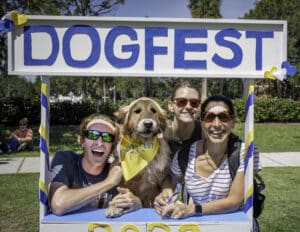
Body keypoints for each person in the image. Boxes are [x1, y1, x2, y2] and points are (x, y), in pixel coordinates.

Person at [155, 95, 261, 230]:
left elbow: (235, 201)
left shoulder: (246, 153)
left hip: (235, 226)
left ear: (232, 122)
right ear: (202, 122)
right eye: (210, 117)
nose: (217, 124)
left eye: (223, 117)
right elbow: (171, 179)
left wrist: (193, 209)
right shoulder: (185, 155)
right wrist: (165, 194)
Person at [48, 113, 123, 215]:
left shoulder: (116, 170)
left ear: (112, 147)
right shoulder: (66, 160)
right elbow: (58, 204)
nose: (100, 142)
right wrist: (109, 182)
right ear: (82, 140)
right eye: (93, 135)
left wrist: (136, 202)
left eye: (107, 137)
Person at [164, 81, 202, 158]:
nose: (188, 107)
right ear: (171, 106)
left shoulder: (208, 133)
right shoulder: (160, 135)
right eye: (181, 101)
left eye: (194, 103)